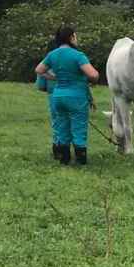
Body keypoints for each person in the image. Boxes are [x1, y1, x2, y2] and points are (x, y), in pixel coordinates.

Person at [34, 26, 99, 165]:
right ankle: (81, 160)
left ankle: (64, 160)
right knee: (79, 127)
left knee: (62, 126)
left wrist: (55, 77)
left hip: (58, 96)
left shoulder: (53, 54)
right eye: (75, 36)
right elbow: (93, 74)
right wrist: (93, 80)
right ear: (71, 37)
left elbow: (39, 70)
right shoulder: (78, 55)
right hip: (76, 96)